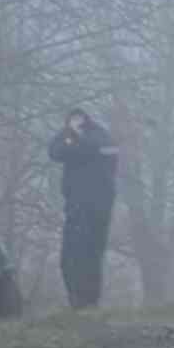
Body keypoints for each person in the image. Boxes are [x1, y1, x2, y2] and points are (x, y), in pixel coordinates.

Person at [48, 108, 119, 309]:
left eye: (78, 121)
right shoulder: (72, 136)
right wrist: (69, 135)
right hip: (77, 204)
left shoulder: (102, 138)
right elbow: (55, 151)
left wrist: (75, 137)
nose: (74, 125)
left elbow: (89, 149)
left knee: (89, 252)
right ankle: (79, 300)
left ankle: (87, 301)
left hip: (97, 204)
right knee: (72, 254)